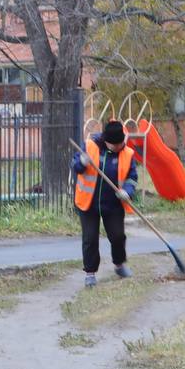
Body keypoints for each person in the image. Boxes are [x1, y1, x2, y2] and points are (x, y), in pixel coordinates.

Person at [72, 119, 137, 288]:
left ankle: (119, 264)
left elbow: (131, 178)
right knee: (90, 238)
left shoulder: (128, 154)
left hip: (113, 204)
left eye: (120, 143)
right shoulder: (89, 146)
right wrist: (82, 163)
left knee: (117, 236)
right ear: (105, 140)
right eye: (114, 144)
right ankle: (90, 273)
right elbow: (75, 166)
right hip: (88, 203)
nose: (118, 147)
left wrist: (127, 192)